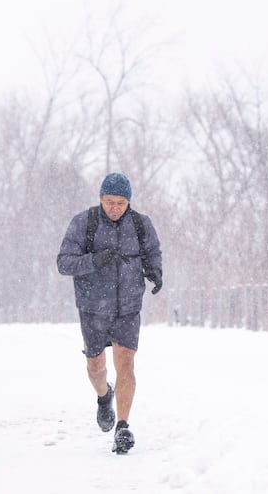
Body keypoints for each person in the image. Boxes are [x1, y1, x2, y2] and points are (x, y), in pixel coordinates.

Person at [57, 172, 162, 454]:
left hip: (128, 306)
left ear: (129, 201)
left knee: (126, 364)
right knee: (96, 367)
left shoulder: (141, 224)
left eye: (120, 202)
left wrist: (156, 272)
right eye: (108, 202)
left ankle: (123, 428)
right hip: (92, 307)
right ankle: (105, 397)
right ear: (100, 199)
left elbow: (152, 252)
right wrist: (94, 260)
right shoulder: (85, 223)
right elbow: (64, 263)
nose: (114, 208)